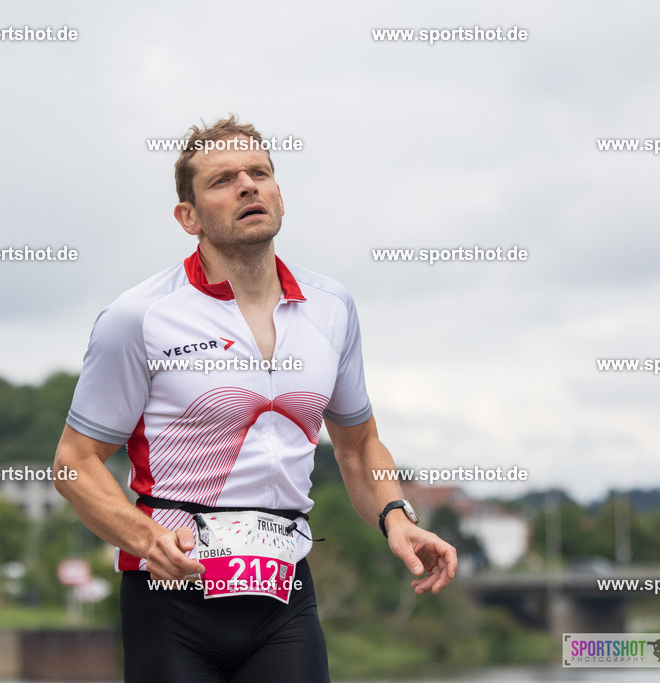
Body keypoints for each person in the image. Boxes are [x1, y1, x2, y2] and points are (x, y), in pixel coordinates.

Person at [53, 115, 457, 682]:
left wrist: (396, 516)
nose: (247, 185)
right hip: (172, 601)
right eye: (222, 179)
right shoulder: (139, 318)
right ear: (187, 217)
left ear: (279, 197)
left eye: (260, 173)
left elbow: (358, 445)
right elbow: (74, 462)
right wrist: (145, 538)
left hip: (284, 598)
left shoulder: (331, 308)